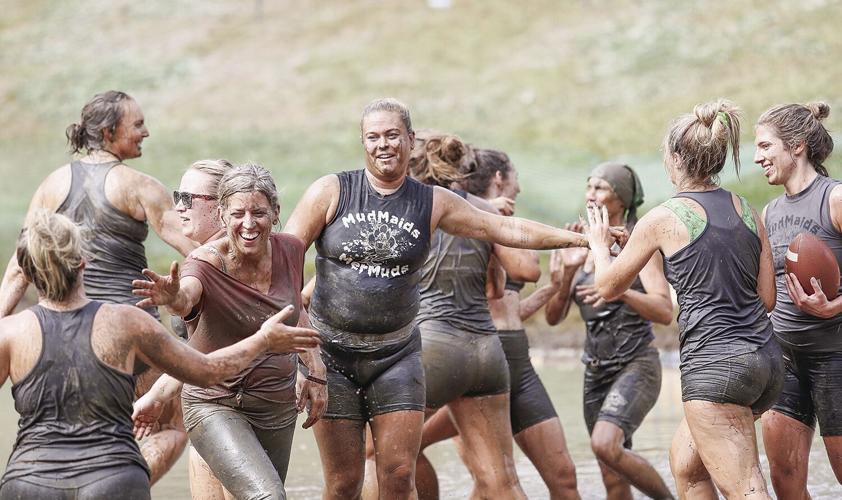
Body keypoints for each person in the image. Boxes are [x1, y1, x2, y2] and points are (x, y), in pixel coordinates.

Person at [282, 98, 619, 500]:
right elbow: (283, 263)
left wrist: (585, 239)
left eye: (392, 135)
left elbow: (505, 229)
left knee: (399, 475)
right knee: (343, 484)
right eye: (373, 137)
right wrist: (306, 355)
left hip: (397, 358)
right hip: (333, 356)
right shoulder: (332, 191)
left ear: (410, 139)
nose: (383, 144)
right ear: (363, 142)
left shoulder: (432, 202)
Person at [0, 211, 320, 500]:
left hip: (29, 481)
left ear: (26, 272)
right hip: (112, 479)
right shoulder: (127, 322)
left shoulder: (9, 333)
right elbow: (207, 371)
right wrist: (263, 340)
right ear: (83, 262)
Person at [584, 100, 781, 499]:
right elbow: (768, 298)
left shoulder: (663, 217)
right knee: (687, 466)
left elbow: (606, 287)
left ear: (675, 158)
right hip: (766, 362)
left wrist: (600, 246)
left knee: (745, 486)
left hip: (715, 369)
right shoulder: (747, 210)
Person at [0, 90, 197, 484]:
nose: (146, 132)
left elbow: (18, 271)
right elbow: (193, 248)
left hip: (58, 335)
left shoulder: (52, 185)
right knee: (170, 428)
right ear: (109, 132)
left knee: (67, 435)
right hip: (131, 334)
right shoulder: (140, 186)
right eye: (138, 124)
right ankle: (118, 486)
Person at [132, 163, 327, 500]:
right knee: (268, 497)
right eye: (238, 214)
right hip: (217, 403)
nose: (248, 223)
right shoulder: (204, 263)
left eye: (258, 213)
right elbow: (186, 299)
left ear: (276, 213)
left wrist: (316, 371)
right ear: (222, 215)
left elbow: (295, 311)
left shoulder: (291, 250)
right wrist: (173, 299)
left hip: (276, 406)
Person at [411, 145, 580, 500]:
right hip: (473, 354)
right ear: (500, 177)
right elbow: (519, 275)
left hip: (512, 359)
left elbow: (510, 305)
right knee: (488, 477)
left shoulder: (501, 221)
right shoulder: (469, 220)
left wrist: (557, 285)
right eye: (515, 175)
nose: (520, 186)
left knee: (556, 478)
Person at [545, 162, 673, 500]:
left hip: (637, 364)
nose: (591, 195)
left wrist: (619, 290)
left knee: (605, 443)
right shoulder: (578, 240)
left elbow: (664, 311)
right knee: (612, 475)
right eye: (589, 187)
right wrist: (569, 273)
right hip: (595, 371)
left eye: (600, 188)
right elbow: (553, 317)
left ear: (622, 199)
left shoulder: (638, 242)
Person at [755, 102, 842, 498]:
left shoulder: (834, 198)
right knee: (786, 484)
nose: (758, 158)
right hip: (785, 360)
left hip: (835, 357)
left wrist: (835, 306)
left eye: (765, 146)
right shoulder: (770, 212)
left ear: (797, 146)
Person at [172, 159, 233, 499]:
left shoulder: (221, 260)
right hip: (205, 404)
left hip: (231, 409)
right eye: (177, 196)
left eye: (188, 199)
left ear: (221, 208)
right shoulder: (204, 256)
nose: (179, 207)